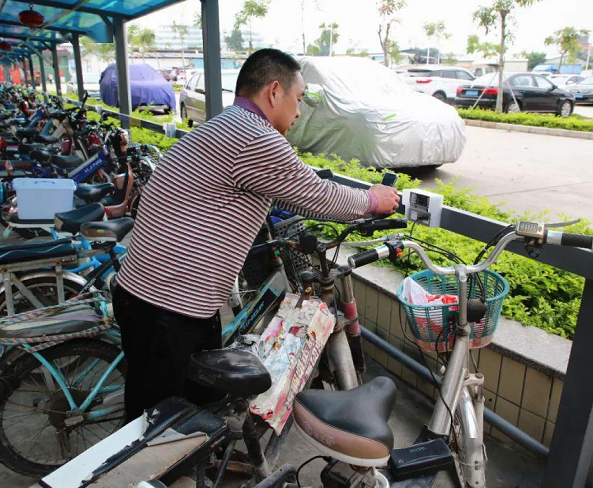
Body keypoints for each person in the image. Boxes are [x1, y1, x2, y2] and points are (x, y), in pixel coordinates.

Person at [113, 48, 399, 422]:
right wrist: (372, 199)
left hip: (159, 297)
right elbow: (317, 195)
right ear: (274, 91)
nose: (298, 113)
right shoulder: (255, 136)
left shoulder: (225, 124)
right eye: (298, 100)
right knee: (155, 424)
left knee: (188, 406)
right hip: (169, 307)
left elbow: (277, 185)